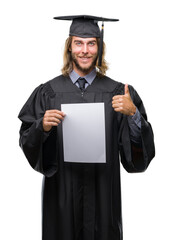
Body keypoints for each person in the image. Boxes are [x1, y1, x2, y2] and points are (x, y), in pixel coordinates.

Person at [18, 15, 155, 240]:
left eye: (91, 43)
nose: (85, 50)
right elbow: (27, 142)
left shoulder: (119, 93)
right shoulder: (48, 93)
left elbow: (138, 159)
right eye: (79, 43)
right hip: (60, 198)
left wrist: (133, 115)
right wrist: (40, 127)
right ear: (69, 47)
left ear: (99, 48)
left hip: (103, 198)